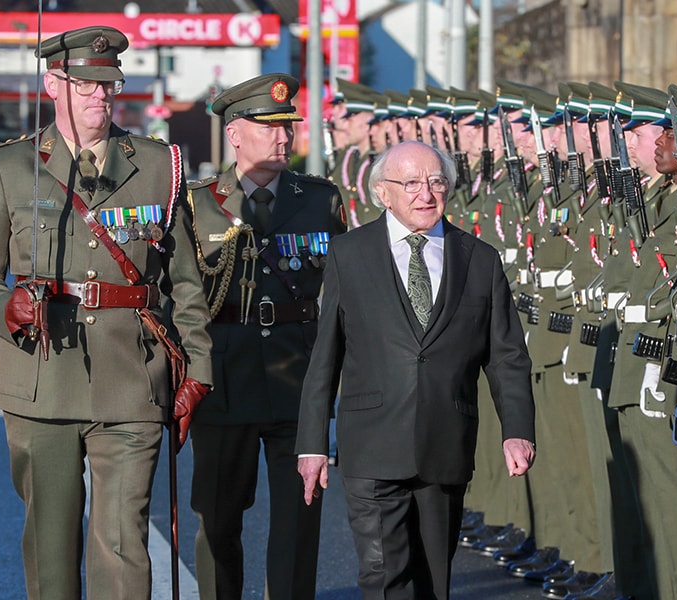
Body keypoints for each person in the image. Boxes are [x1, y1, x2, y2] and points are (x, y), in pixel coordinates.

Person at [0, 26, 212, 599]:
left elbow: (184, 282)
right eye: (87, 85)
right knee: (51, 546)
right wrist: (7, 306)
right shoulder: (10, 166)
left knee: (123, 539)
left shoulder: (157, 165)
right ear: (54, 84)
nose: (103, 96)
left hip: (133, 374)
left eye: (110, 85)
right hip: (39, 377)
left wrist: (198, 369)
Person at [296, 140, 537, 599]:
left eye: (436, 181)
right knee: (385, 575)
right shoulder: (349, 254)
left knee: (433, 580)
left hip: (445, 441)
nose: (425, 193)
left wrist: (518, 429)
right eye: (410, 183)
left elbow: (506, 355)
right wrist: (311, 443)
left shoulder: (478, 258)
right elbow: (324, 355)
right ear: (382, 193)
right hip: (371, 442)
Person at [185, 73, 347, 600]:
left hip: (299, 380)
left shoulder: (321, 200)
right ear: (235, 133)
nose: (284, 138)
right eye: (268, 127)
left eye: (289, 127)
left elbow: (347, 294)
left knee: (300, 521)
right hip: (223, 378)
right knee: (218, 519)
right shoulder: (196, 204)